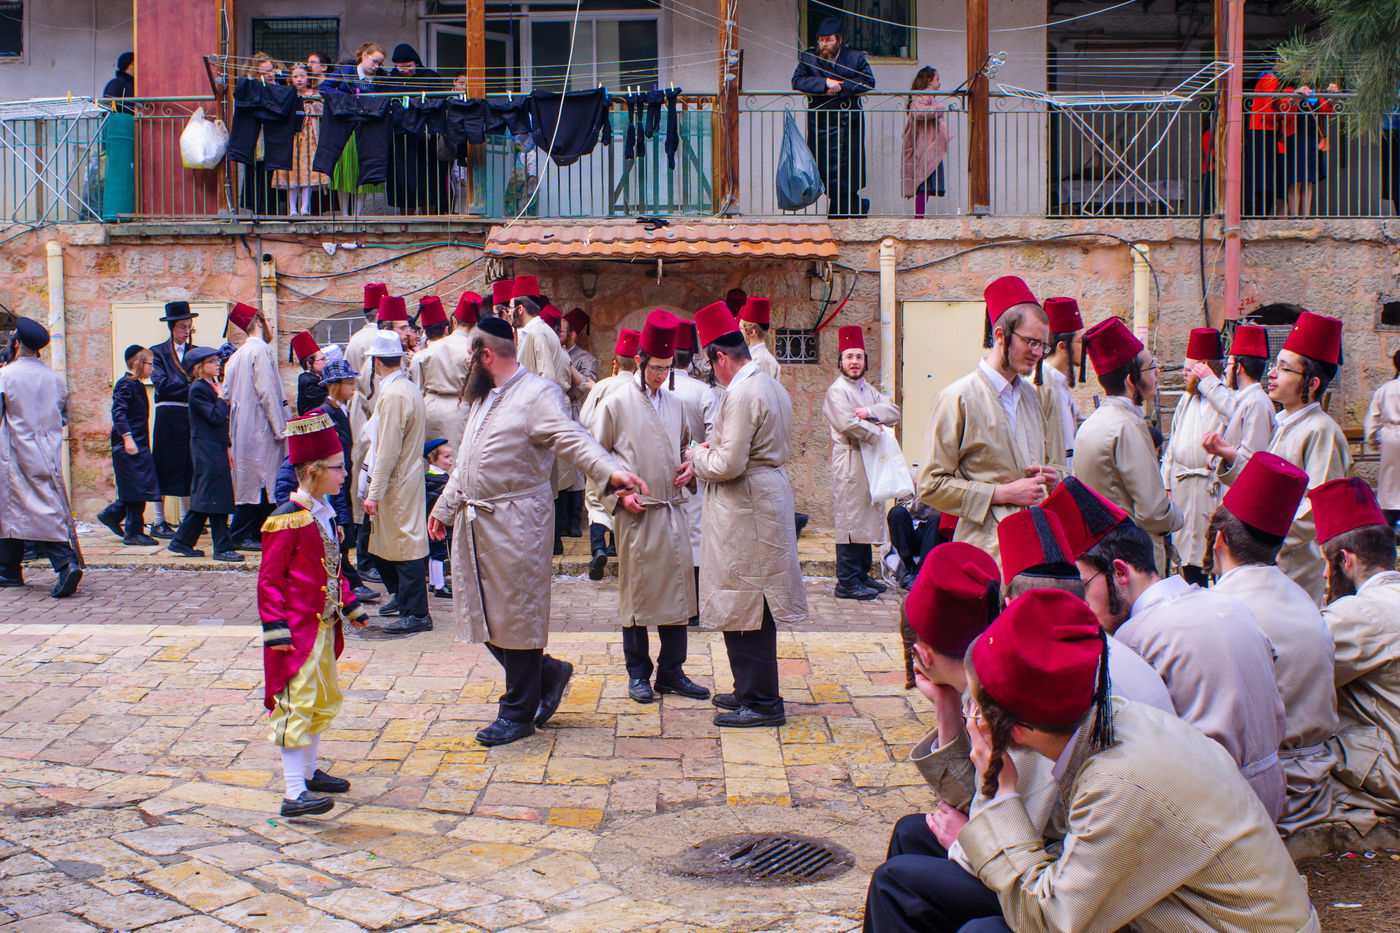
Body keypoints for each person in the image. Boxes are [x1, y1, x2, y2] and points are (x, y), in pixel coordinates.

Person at [866, 587, 1320, 933]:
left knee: (969, 925)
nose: (971, 715)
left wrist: (998, 791)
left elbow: (1052, 920)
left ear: (1014, 731)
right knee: (910, 855)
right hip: (1156, 906)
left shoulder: (1119, 783)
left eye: (975, 707)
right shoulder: (1100, 718)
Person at [428, 317, 647, 747]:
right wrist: (445, 507)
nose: (467, 365)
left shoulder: (538, 393)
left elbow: (572, 438)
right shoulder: (484, 397)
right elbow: (468, 461)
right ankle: (547, 673)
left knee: (516, 618)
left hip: (516, 522)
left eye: (471, 356)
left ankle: (517, 713)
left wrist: (611, 473)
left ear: (484, 356)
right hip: (477, 523)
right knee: (485, 615)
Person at [1066, 499, 1287, 818]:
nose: (1083, 604)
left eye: (1083, 586)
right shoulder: (1229, 604)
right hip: (1270, 794)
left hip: (1213, 812)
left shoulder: (1135, 639)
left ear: (1119, 572)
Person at [687, 301, 809, 728]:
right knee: (748, 597)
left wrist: (694, 455)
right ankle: (747, 688)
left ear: (720, 356)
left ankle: (761, 701)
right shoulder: (768, 383)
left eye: (711, 364)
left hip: (747, 503)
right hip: (761, 496)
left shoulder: (742, 391)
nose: (713, 373)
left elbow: (727, 464)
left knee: (748, 599)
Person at [1208, 452, 1338, 834]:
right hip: (1315, 785)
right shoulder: (1304, 599)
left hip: (1257, 794)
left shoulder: (1222, 610)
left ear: (1220, 540)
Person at [592, 311, 709, 704]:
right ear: (640, 362)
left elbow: (683, 449)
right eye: (654, 367)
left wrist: (688, 469)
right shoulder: (618, 401)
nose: (660, 374)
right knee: (637, 597)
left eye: (667, 367)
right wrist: (619, 494)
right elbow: (595, 456)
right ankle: (638, 673)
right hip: (637, 512)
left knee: (679, 593)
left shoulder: (676, 404)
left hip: (671, 508)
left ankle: (672, 672)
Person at [259, 411, 370, 818]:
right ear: (314, 471)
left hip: (322, 625)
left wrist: (351, 604)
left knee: (322, 697)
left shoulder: (322, 515)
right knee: (297, 702)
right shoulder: (286, 520)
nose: (345, 475)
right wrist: (275, 629)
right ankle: (292, 793)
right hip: (296, 630)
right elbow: (269, 582)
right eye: (339, 468)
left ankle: (307, 773)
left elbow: (331, 568)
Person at [1206, 310, 1352, 604]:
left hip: (1292, 566)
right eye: (1275, 365)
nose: (1271, 373)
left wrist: (1265, 536)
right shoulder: (1284, 421)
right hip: (1265, 559)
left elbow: (1317, 506)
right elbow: (1263, 484)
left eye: (1284, 369)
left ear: (1311, 383)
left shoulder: (1322, 431)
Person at [916, 275, 1059, 566]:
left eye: (1043, 346)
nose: (1037, 353)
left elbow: (1049, 465)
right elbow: (930, 485)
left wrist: (1054, 478)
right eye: (1031, 341)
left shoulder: (1034, 398)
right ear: (1000, 335)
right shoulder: (957, 398)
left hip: (1034, 546)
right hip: (985, 553)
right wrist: (1002, 493)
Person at [1310, 477, 1400, 831]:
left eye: (1326, 563)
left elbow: (1296, 671)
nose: (1323, 573)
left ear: (1345, 560)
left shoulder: (1359, 615)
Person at [1074, 316, 1182, 577]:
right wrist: (1178, 516)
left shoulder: (1094, 421)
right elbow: (1153, 512)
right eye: (1151, 367)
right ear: (1131, 380)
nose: (1157, 374)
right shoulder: (1127, 426)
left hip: (1102, 551)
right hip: (1134, 558)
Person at [0, 318, 82, 598]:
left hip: (14, 452)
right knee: (14, 512)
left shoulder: (6, 376)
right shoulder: (54, 377)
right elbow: (65, 416)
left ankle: (65, 561)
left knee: (33, 510)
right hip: (47, 449)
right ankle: (8, 570)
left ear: (17, 343)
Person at [823, 325, 900, 600]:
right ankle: (846, 580)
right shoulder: (837, 391)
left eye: (859, 356)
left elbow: (893, 411)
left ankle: (861, 574)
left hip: (869, 460)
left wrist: (868, 411)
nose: (855, 362)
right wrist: (877, 430)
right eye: (849, 357)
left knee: (867, 515)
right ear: (840, 361)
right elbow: (847, 423)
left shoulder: (867, 389)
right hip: (851, 460)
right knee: (850, 520)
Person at [363, 330, 431, 635]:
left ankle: (417, 612)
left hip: (398, 477)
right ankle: (405, 599)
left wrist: (374, 492)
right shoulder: (406, 388)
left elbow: (388, 448)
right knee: (393, 541)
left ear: (377, 362)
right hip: (407, 473)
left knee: (406, 543)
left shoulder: (393, 394)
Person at [510, 276, 576, 555]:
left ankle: (550, 540)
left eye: (511, 307)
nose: (509, 313)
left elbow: (547, 376)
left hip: (542, 408)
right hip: (547, 405)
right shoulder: (542, 331)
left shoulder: (537, 333)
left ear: (521, 309)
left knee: (543, 476)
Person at [1159, 328, 1227, 584]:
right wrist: (1166, 484)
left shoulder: (1225, 399)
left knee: (1214, 552)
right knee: (1187, 554)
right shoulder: (1186, 401)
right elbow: (1172, 445)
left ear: (1204, 368)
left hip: (1211, 488)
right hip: (1184, 489)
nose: (1185, 375)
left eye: (1189, 370)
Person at [791, 16, 875, 218]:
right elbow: (797, 81)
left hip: (848, 125)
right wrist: (826, 83)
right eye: (820, 40)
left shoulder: (855, 58)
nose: (823, 44)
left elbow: (868, 81)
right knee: (824, 173)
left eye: (828, 40)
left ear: (839, 40)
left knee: (848, 175)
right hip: (821, 125)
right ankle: (855, 209)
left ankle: (844, 214)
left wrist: (841, 88)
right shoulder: (809, 58)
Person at [224, 302, 289, 550]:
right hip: (261, 425)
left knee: (253, 480)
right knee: (263, 479)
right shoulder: (260, 351)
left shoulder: (236, 355)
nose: (272, 325)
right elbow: (268, 392)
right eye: (269, 320)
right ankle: (242, 532)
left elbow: (227, 393)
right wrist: (279, 427)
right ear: (259, 322)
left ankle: (256, 531)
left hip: (243, 427)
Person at [169, 346, 241, 563]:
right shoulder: (198, 389)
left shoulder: (209, 386)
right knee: (215, 494)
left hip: (216, 445)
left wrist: (227, 446)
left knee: (207, 495)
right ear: (200, 367)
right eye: (211, 361)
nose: (217, 364)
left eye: (216, 360)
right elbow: (215, 417)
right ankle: (222, 547)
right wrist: (221, 399)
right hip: (205, 447)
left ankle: (181, 542)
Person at [581, 330, 642, 580]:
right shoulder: (640, 388)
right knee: (623, 498)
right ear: (638, 361)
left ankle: (597, 548)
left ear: (614, 362)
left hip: (601, 453)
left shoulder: (603, 386)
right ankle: (616, 546)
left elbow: (584, 419)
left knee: (596, 501)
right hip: (629, 456)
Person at [669, 319, 718, 623]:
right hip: (695, 471)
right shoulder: (703, 391)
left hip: (659, 472)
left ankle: (669, 602)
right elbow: (715, 434)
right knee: (695, 538)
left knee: (665, 537)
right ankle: (694, 608)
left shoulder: (648, 388)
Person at [316, 358, 374, 602]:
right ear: (335, 385)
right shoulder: (325, 413)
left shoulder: (344, 409)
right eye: (348, 384)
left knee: (345, 528)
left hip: (343, 475)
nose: (353, 388)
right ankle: (349, 582)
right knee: (339, 528)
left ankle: (349, 580)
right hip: (332, 478)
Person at [344, 282, 388, 584]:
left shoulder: (355, 338)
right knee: (370, 486)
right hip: (369, 414)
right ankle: (365, 558)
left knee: (362, 487)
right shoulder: (379, 339)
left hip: (357, 413)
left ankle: (366, 556)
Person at [97, 345, 160, 546]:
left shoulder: (137, 385)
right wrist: (128, 437)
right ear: (138, 363)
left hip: (139, 442)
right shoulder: (125, 384)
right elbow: (119, 412)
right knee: (135, 488)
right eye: (150, 364)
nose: (152, 369)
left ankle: (114, 516)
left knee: (139, 487)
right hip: (129, 444)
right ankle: (132, 531)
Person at [150, 301, 202, 537]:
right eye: (182, 326)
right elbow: (161, 384)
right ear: (172, 327)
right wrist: (189, 384)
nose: (186, 331)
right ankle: (159, 520)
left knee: (188, 466)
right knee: (162, 466)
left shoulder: (196, 352)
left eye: (189, 326)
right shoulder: (157, 352)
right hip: (168, 415)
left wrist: (186, 387)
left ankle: (187, 518)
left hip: (189, 414)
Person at [1194, 322, 1275, 458]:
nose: (1226, 370)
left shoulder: (1256, 403)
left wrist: (1221, 454)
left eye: (1229, 364)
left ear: (1238, 368)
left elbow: (1251, 458)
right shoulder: (1248, 399)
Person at [272, 64, 330, 217]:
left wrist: (312, 105)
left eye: (302, 76)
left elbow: (321, 110)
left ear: (308, 78)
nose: (299, 79)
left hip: (309, 136)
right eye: (296, 76)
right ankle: (292, 208)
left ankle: (305, 207)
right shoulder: (288, 94)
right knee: (291, 171)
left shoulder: (315, 94)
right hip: (292, 136)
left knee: (308, 171)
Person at [561, 308, 599, 539]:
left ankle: (574, 521)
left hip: (576, 413)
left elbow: (583, 388)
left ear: (573, 335)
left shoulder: (585, 358)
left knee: (575, 469)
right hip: (558, 412)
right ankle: (562, 520)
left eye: (562, 331)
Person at [1034, 296, 1083, 467]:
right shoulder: (1039, 383)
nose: (1084, 348)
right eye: (1079, 341)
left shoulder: (1059, 382)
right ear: (1062, 346)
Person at [1281, 82, 1337, 217]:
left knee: (1309, 179)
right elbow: (1284, 112)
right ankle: (1295, 216)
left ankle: (1306, 216)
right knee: (1295, 179)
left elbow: (1327, 112)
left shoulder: (1316, 92)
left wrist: (1331, 97)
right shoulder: (1289, 90)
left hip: (1312, 139)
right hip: (1294, 138)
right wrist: (1295, 97)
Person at [408, 295, 460, 443]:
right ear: (446, 328)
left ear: (424, 330)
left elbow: (418, 390)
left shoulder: (419, 357)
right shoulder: (460, 348)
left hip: (428, 409)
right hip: (457, 409)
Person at [901, 67, 949, 219]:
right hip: (925, 147)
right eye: (937, 79)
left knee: (926, 184)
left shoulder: (928, 97)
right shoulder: (920, 96)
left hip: (929, 146)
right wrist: (940, 108)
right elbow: (919, 113)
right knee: (924, 184)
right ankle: (919, 217)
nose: (939, 83)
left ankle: (920, 216)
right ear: (929, 80)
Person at [1365, 349, 1400, 527]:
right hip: (1392, 435)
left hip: (1391, 438)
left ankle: (1388, 523)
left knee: (1390, 484)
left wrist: (1373, 441)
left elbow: (1373, 417)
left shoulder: (1386, 389)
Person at [424, 439, 453, 600]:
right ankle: (439, 586)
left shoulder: (436, 478)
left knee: (436, 553)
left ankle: (435, 583)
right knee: (438, 553)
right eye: (446, 457)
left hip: (433, 522)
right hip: (435, 523)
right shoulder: (436, 480)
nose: (450, 460)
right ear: (433, 459)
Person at [737, 296, 780, 379]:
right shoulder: (752, 356)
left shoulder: (763, 361)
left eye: (741, 328)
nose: (739, 332)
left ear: (752, 332)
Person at [291, 332, 327, 415]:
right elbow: (325, 400)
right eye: (322, 359)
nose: (326, 362)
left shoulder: (313, 377)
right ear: (309, 363)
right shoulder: (309, 381)